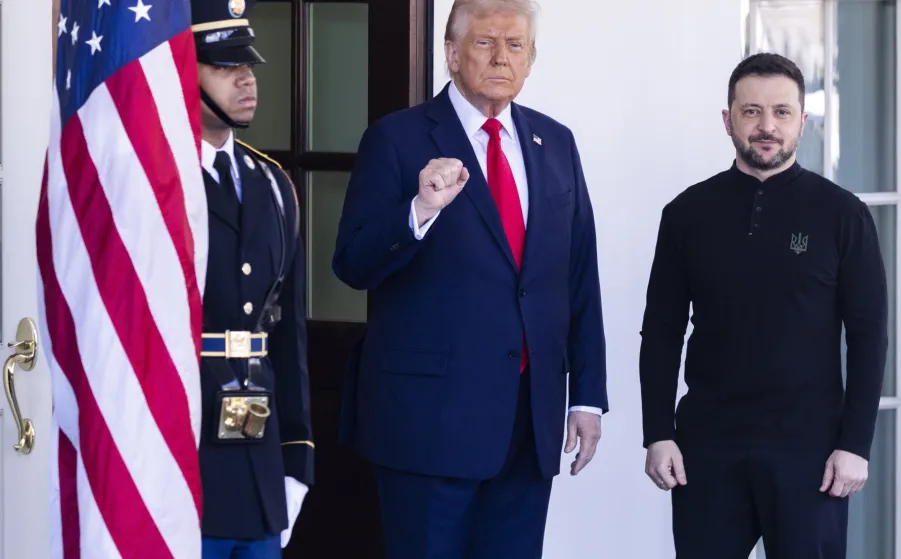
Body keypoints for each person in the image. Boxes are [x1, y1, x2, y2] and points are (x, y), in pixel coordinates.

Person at [332, 0, 608, 556]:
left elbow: (578, 276)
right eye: (485, 42)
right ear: (452, 54)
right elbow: (353, 263)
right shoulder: (396, 138)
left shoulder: (555, 142)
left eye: (516, 45)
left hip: (529, 421)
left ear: (531, 59)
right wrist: (418, 211)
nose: (502, 57)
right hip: (428, 424)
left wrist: (587, 396)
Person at [639, 52, 888, 559]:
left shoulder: (843, 214)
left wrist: (855, 444)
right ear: (728, 119)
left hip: (811, 452)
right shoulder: (686, 214)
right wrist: (658, 433)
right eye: (751, 111)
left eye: (781, 112)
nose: (767, 126)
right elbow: (662, 332)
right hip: (707, 447)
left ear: (802, 120)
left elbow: (869, 336)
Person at [190, 1, 313, 557]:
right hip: (181, 456)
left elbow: (288, 335)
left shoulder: (273, 184)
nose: (246, 79)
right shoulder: (157, 179)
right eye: (224, 66)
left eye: (249, 65)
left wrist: (296, 460)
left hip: (259, 461)